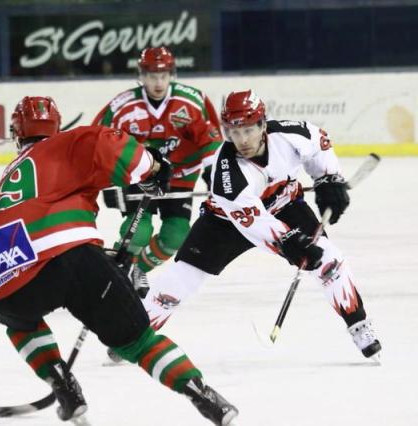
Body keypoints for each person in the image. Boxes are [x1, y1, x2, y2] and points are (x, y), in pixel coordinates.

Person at [0, 96, 239, 425]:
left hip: (2, 280)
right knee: (139, 342)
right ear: (57, 127)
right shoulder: (66, 142)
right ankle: (201, 393)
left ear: (18, 135)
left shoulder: (5, 179)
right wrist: (155, 167)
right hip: (70, 255)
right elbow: (108, 142)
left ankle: (62, 383)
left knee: (19, 322)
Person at [143, 90, 382, 360]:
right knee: (181, 279)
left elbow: (320, 143)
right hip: (226, 221)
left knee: (329, 259)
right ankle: (133, 333)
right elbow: (254, 221)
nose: (242, 140)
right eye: (234, 132)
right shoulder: (227, 177)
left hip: (286, 205)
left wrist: (328, 179)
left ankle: (359, 325)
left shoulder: (291, 135)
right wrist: (289, 240)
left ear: (262, 124)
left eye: (247, 130)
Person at [92, 46, 223, 294]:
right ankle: (120, 267)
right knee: (139, 230)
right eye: (152, 76)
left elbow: (211, 141)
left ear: (171, 74)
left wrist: (214, 175)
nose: (158, 82)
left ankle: (139, 268)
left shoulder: (191, 102)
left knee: (176, 236)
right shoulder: (124, 106)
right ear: (141, 75)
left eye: (163, 75)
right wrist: (108, 181)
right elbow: (99, 142)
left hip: (181, 175)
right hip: (141, 174)